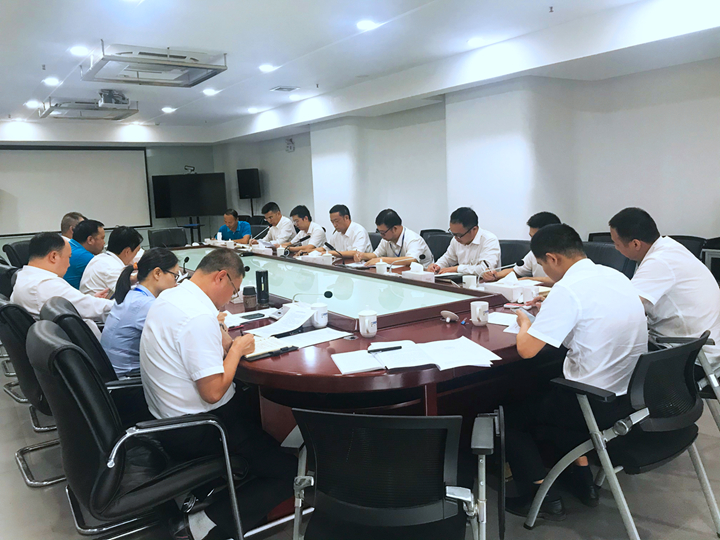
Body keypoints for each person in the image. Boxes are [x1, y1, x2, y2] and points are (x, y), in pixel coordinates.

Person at [139, 248, 296, 539]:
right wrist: (236, 349)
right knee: (290, 473)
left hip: (166, 419)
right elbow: (212, 392)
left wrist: (221, 332)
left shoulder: (173, 297)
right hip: (200, 428)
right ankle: (202, 525)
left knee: (255, 412)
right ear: (221, 277)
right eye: (233, 290)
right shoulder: (196, 316)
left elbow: (206, 338)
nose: (231, 298)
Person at [505, 224, 647, 519]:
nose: (546, 272)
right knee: (546, 387)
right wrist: (553, 310)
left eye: (543, 265)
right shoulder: (615, 276)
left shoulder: (567, 289)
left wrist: (525, 322)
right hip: (630, 398)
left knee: (510, 415)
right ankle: (583, 481)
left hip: (592, 404)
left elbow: (527, 349)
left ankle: (539, 495)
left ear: (552, 258)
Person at [609, 207, 720, 376]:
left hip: (694, 357)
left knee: (611, 361)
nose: (616, 248)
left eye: (616, 244)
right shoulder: (668, 247)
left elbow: (623, 308)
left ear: (636, 244)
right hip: (702, 345)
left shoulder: (659, 261)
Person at [100, 248, 179, 377]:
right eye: (175, 276)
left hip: (113, 372)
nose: (176, 283)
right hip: (129, 379)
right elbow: (175, 339)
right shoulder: (145, 305)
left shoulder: (133, 294)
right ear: (157, 273)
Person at [11, 233, 113, 328]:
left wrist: (89, 299)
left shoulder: (23, 276)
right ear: (53, 256)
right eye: (68, 257)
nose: (68, 264)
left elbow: (78, 304)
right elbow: (98, 308)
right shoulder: (45, 285)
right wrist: (121, 305)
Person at [481, 211, 561, 285]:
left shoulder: (564, 253)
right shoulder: (535, 252)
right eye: (531, 237)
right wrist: (495, 275)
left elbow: (560, 280)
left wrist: (529, 279)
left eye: (535, 238)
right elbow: (516, 271)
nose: (532, 242)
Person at [427, 207, 500, 276]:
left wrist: (456, 269)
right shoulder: (456, 239)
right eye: (453, 233)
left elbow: (485, 269)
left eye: (459, 235)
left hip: (484, 283)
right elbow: (447, 258)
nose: (455, 238)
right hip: (461, 282)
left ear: (474, 229)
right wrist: (437, 266)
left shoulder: (489, 240)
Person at [354, 209, 434, 269]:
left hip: (423, 278)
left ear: (395, 228)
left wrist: (382, 260)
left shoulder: (413, 239)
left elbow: (411, 259)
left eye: (383, 232)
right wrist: (363, 255)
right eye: (379, 232)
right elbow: (376, 255)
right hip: (399, 274)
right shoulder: (386, 239)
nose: (381, 235)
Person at [80, 226, 143, 296]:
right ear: (127, 252)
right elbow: (130, 295)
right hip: (96, 302)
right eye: (136, 252)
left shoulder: (102, 258)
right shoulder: (112, 267)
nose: (135, 255)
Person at [64, 219, 105, 289]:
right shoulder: (84, 257)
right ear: (90, 240)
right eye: (102, 238)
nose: (104, 242)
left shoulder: (69, 246)